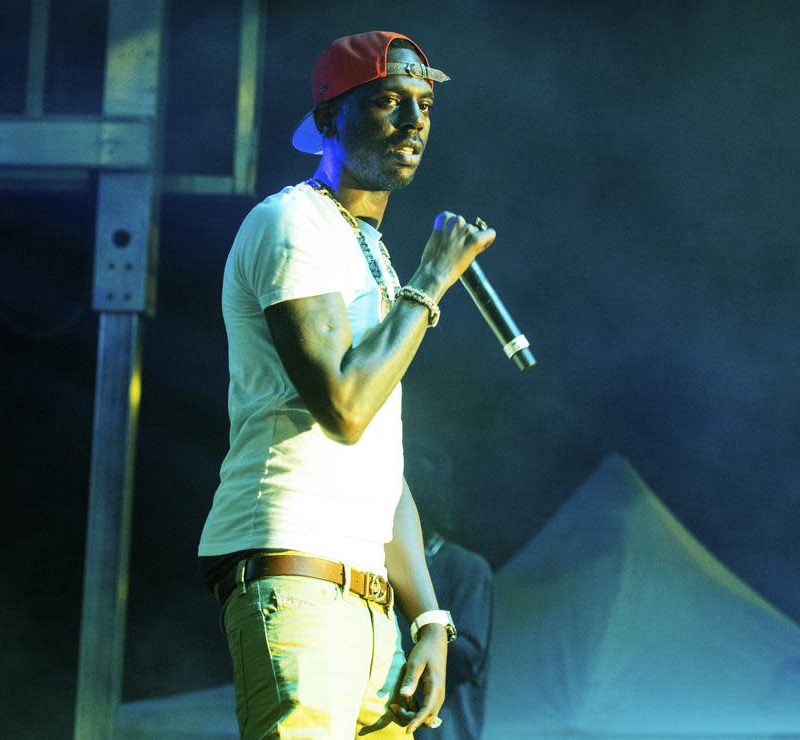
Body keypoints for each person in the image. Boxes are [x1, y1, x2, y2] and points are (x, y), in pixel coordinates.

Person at [198, 30, 497, 738]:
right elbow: (344, 408)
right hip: (298, 577)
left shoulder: (375, 257)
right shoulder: (292, 222)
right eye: (389, 102)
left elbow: (379, 465)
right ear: (331, 118)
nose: (414, 120)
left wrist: (428, 615)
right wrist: (430, 283)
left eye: (423, 105)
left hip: (370, 605)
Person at [396, 439, 494, 740]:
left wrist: (409, 630)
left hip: (446, 731)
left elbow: (467, 657)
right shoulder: (382, 567)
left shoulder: (468, 568)